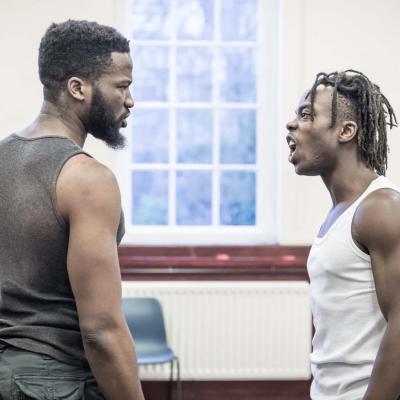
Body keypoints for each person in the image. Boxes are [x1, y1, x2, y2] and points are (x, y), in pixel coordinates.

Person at [0, 20, 145, 400]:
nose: (129, 100)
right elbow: (101, 329)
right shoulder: (87, 179)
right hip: (53, 381)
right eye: (122, 87)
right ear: (78, 88)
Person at [286, 70, 400, 399]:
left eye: (306, 114)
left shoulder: (381, 208)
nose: (292, 124)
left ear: (346, 131)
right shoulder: (342, 212)